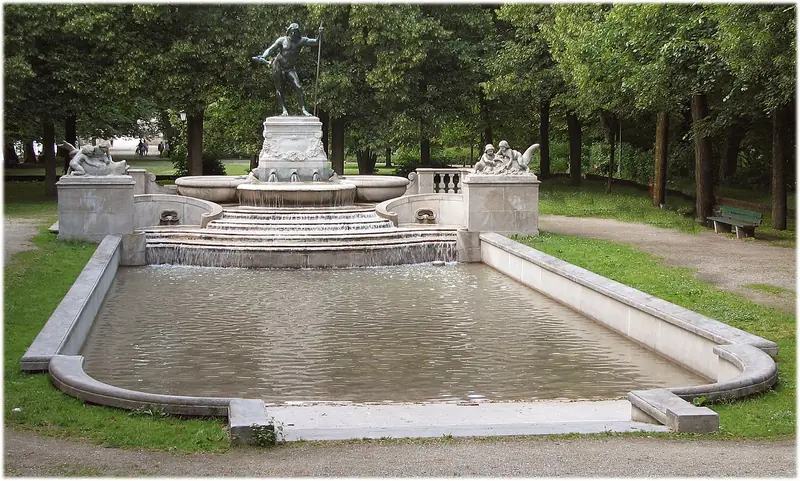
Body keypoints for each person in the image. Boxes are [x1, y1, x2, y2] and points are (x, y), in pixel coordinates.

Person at [253, 22, 323, 117]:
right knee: (279, 89)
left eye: (295, 32)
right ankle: (284, 110)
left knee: (299, 87)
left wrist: (320, 34)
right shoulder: (282, 40)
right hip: (277, 65)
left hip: (290, 68)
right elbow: (270, 49)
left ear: (298, 32)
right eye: (292, 32)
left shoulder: (301, 41)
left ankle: (303, 109)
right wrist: (264, 56)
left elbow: (316, 42)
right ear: (289, 31)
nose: (293, 34)